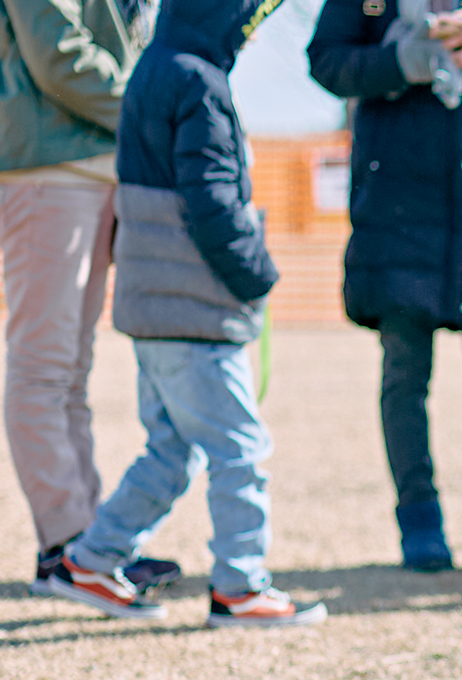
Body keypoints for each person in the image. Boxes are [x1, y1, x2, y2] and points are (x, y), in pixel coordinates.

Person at [45, 0, 326, 628]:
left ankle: (91, 561)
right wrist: (258, 270)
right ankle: (240, 587)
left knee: (170, 451)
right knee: (240, 451)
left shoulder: (153, 68)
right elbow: (214, 201)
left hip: (154, 306)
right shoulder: (200, 81)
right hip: (194, 311)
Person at [308, 1, 462, 571]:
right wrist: (402, 61)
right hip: (398, 206)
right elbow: (326, 61)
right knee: (404, 373)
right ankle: (419, 522)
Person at [0, 0, 179, 596]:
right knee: (42, 368)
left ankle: (89, 542)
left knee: (71, 373)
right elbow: (58, 57)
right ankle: (66, 547)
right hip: (51, 169)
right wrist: (152, 109)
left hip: (95, 167)